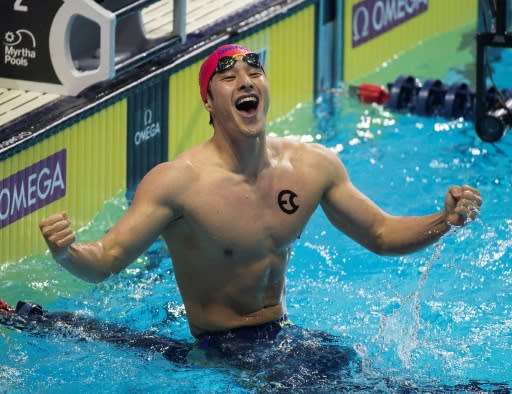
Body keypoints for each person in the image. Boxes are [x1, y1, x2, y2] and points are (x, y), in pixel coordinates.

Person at [38, 44, 482, 374]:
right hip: (222, 349)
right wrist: (67, 253)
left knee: (360, 371)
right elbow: (107, 260)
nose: (246, 81)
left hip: (285, 336)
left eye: (255, 72)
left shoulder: (312, 165)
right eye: (229, 78)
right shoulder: (179, 183)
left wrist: (444, 220)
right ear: (208, 103)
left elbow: (381, 234)